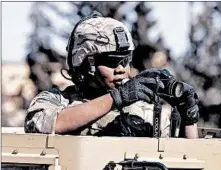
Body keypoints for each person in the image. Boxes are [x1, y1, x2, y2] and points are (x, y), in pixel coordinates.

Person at [24, 12, 199, 138]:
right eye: (112, 61)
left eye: (125, 61)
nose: (121, 69)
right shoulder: (54, 101)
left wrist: (188, 116)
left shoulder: (144, 112)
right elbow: (46, 125)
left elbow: (186, 159)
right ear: (84, 63)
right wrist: (117, 98)